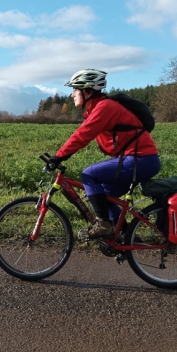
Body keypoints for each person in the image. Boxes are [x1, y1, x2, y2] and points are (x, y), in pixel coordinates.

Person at [47, 69, 161, 239]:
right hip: (137, 159)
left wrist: (59, 156)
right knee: (99, 196)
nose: (72, 95)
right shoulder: (99, 108)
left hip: (141, 159)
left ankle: (104, 225)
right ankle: (124, 233)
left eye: (75, 90)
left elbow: (83, 134)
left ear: (87, 91)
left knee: (89, 174)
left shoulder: (105, 107)